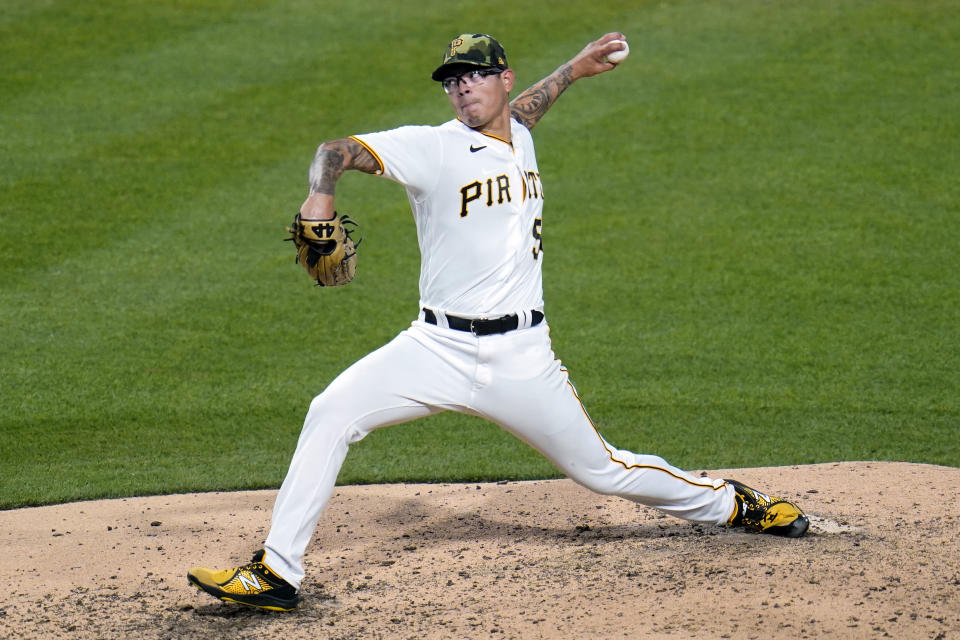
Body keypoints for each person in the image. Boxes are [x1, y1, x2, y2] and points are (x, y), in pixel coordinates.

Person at [188, 32, 809, 612]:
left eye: (475, 76)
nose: (461, 89)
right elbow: (335, 151)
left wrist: (574, 70)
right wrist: (321, 192)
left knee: (602, 471)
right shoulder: (433, 147)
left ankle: (730, 503)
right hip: (434, 347)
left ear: (503, 80)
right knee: (330, 411)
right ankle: (277, 573)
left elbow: (529, 110)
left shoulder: (519, 131)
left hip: (522, 358)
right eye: (452, 81)